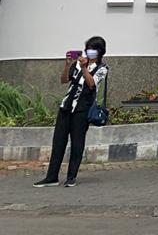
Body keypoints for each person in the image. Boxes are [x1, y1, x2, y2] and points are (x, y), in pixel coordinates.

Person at [34, 36, 109, 188]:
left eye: (92, 49)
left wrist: (84, 68)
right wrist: (67, 65)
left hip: (82, 109)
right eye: (87, 48)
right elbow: (64, 80)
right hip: (66, 106)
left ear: (99, 51)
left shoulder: (102, 68)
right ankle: (51, 177)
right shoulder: (77, 64)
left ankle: (71, 177)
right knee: (58, 142)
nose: (89, 51)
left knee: (77, 143)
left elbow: (91, 84)